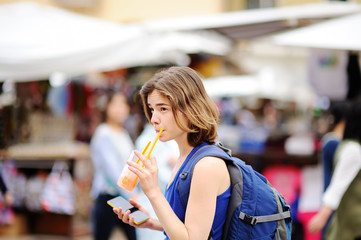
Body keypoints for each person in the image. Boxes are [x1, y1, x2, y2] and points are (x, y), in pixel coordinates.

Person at [113, 66, 231, 240]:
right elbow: (189, 223)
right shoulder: (185, 158)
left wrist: (153, 192)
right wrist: (151, 222)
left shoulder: (206, 166)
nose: (154, 119)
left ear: (190, 108)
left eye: (163, 109)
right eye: (152, 109)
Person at [308, 97, 361, 240]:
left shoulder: (344, 144)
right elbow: (338, 184)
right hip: (349, 219)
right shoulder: (345, 147)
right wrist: (322, 215)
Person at [90, 91, 137, 240]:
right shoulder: (104, 133)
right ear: (107, 107)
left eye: (123, 104)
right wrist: (131, 194)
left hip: (124, 196)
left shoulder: (124, 133)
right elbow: (112, 170)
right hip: (109, 196)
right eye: (115, 104)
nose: (120, 109)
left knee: (134, 235)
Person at [134, 123, 179, 240]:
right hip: (153, 205)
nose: (155, 118)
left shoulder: (173, 140)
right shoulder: (145, 141)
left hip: (167, 211)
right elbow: (161, 178)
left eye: (163, 109)